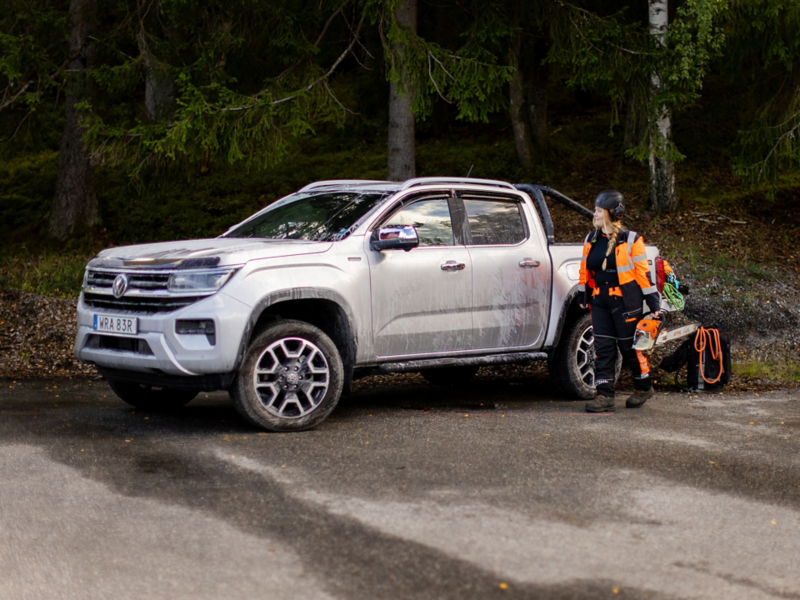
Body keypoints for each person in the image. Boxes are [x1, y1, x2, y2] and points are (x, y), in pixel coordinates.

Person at [577, 190, 662, 412]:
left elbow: (643, 274)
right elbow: (584, 270)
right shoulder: (591, 239)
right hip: (599, 301)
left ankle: (644, 386)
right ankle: (604, 395)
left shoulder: (631, 240)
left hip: (625, 301)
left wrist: (654, 306)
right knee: (603, 348)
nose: (594, 214)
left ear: (612, 213)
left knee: (628, 346)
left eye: (598, 210)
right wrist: (582, 295)